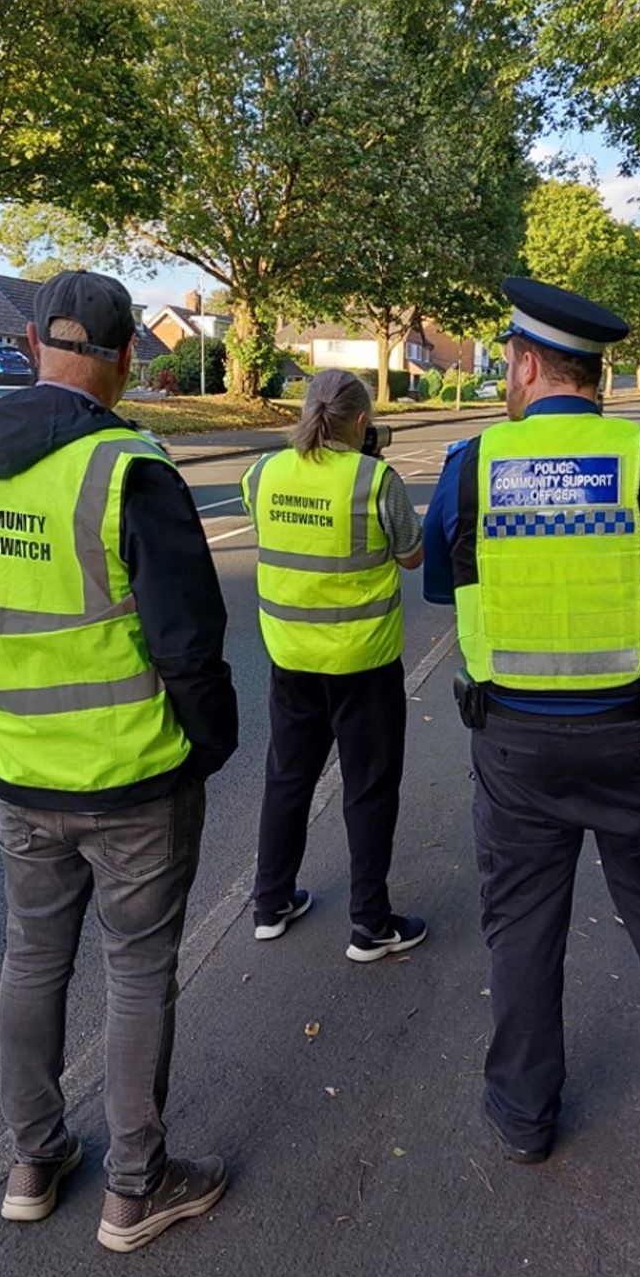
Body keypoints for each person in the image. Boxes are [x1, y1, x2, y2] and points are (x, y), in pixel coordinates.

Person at [0, 270, 238, 1253]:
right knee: (138, 974)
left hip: (19, 767)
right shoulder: (128, 470)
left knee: (32, 957)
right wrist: (208, 744)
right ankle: (136, 1189)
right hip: (134, 774)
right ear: (129, 358)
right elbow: (189, 640)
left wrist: (3, 710)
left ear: (26, 341)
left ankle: (33, 1159)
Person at [423, 277, 640, 1163]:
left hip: (512, 747)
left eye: (509, 359)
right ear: (597, 373)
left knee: (520, 924)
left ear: (528, 362)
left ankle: (521, 1116)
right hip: (639, 740)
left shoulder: (470, 467)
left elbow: (443, 582)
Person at [241, 367, 426, 962]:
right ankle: (370, 925)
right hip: (363, 663)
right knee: (368, 789)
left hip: (291, 657)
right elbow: (413, 557)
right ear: (362, 421)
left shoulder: (263, 473)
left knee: (287, 777)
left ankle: (270, 903)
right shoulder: (376, 481)